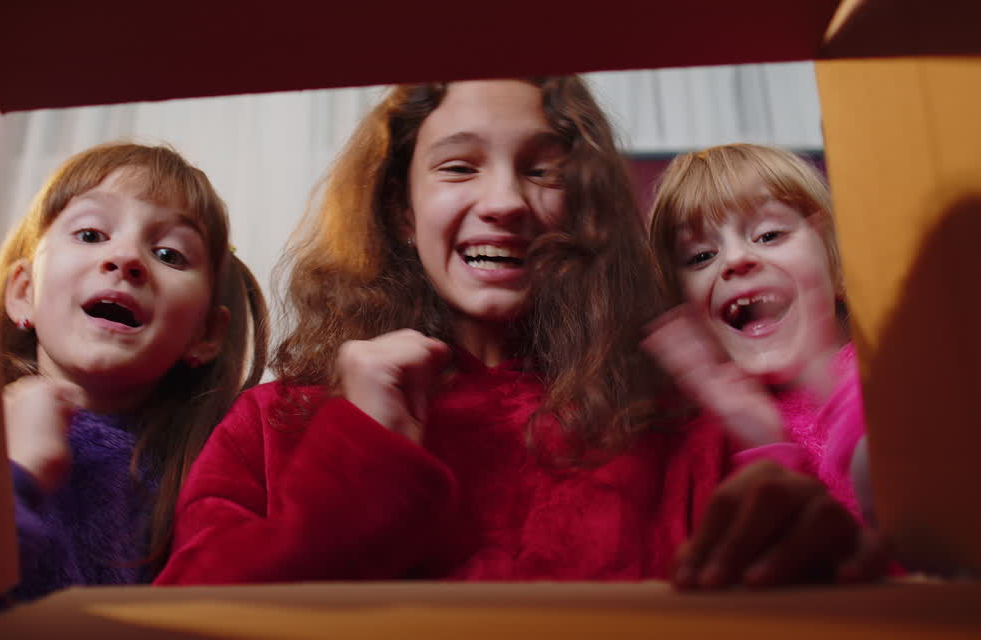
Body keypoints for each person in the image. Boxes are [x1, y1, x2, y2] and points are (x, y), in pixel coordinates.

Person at [156, 80, 884, 589]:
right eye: (459, 166)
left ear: (584, 213)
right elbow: (185, 617)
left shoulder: (674, 430)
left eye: (542, 170)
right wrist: (358, 454)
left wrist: (802, 562)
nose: (504, 201)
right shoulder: (271, 423)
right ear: (403, 212)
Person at [0, 142, 268, 604]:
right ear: (23, 292)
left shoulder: (210, 477)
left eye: (169, 253)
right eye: (90, 235)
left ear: (204, 334)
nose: (126, 259)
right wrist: (17, 472)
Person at [644, 143, 870, 522]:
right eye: (701, 256)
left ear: (834, 262)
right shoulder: (703, 445)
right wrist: (766, 443)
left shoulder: (891, 388)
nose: (735, 260)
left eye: (768, 235)